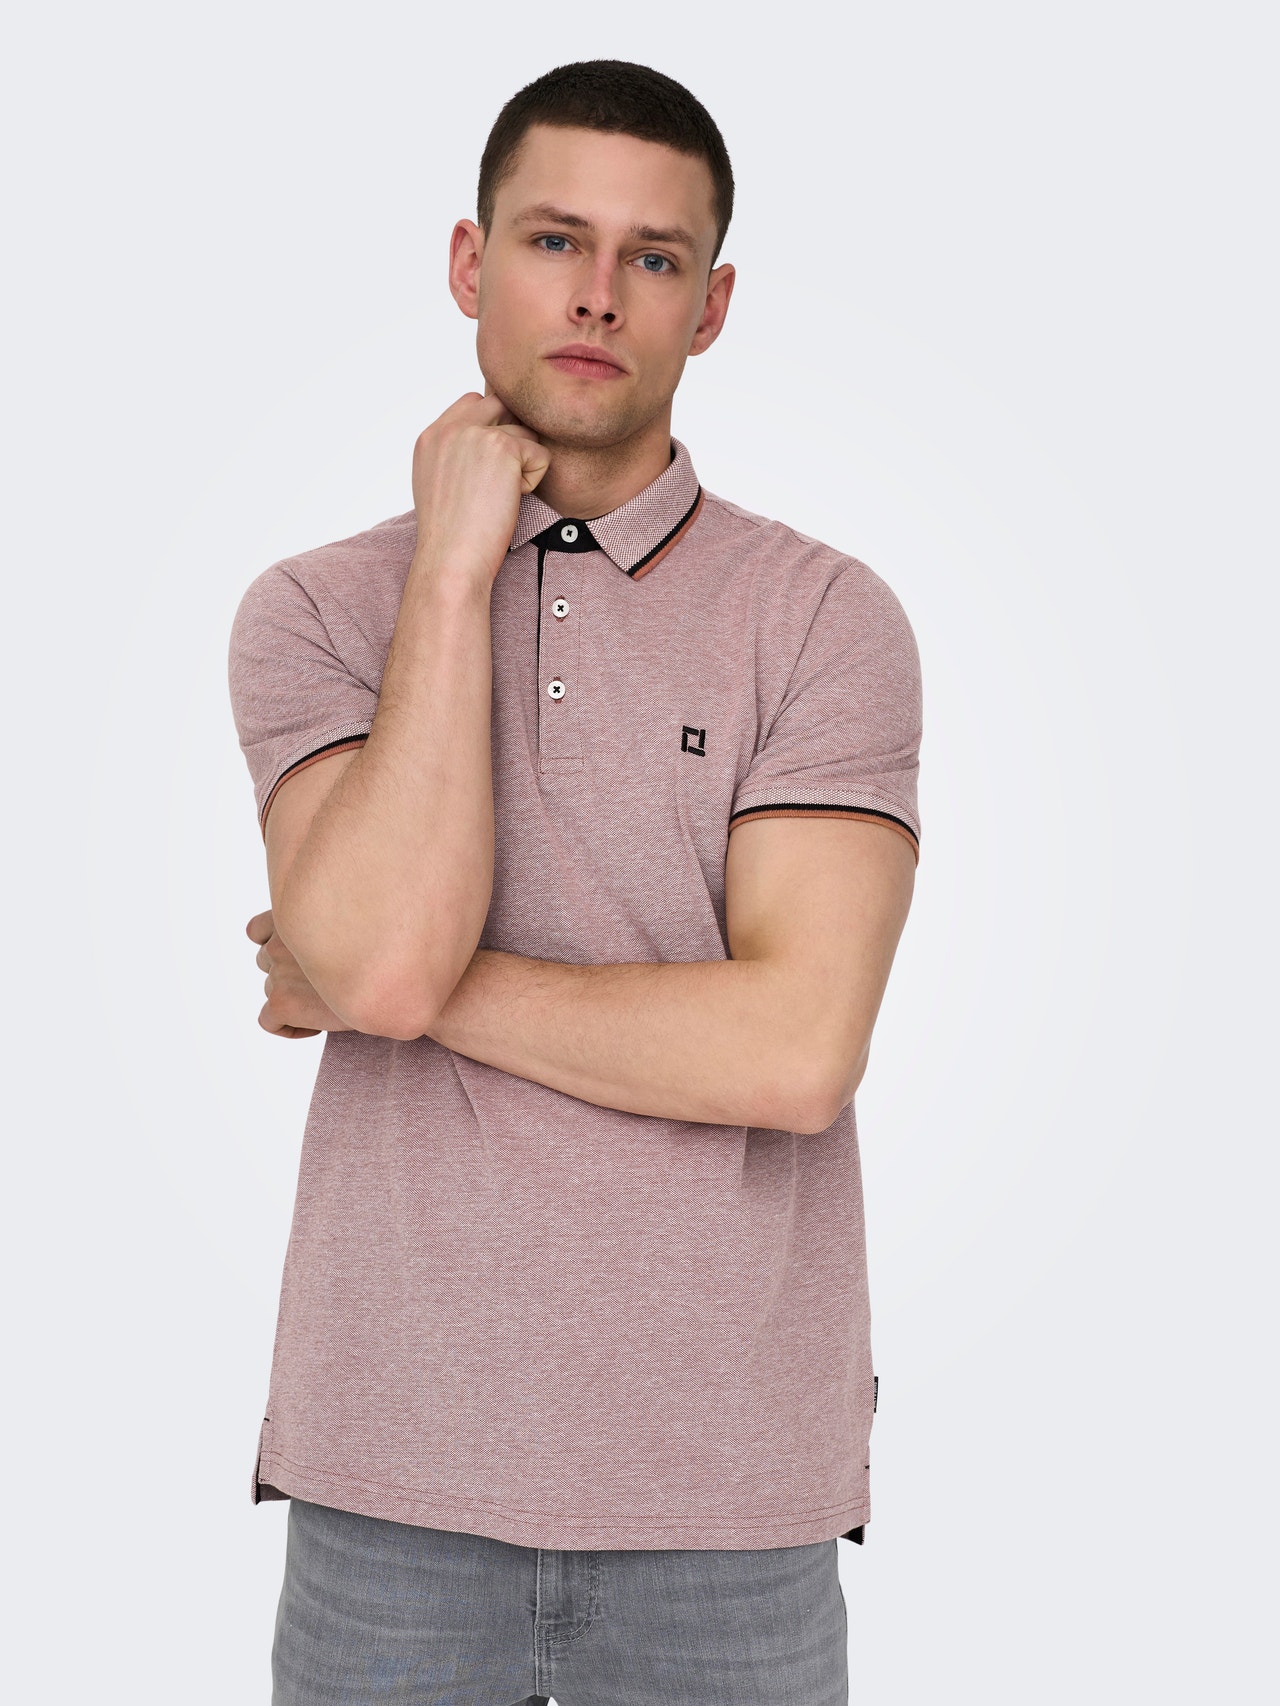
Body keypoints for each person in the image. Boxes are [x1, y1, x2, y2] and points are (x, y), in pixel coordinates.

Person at [229, 58, 922, 1706]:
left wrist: (378, 982)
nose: (599, 294)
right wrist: (453, 565)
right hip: (388, 1479)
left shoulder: (823, 619)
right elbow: (383, 963)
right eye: (554, 241)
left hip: (730, 1497)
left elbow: (795, 1051)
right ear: (471, 265)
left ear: (711, 304)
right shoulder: (317, 612)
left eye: (653, 256)